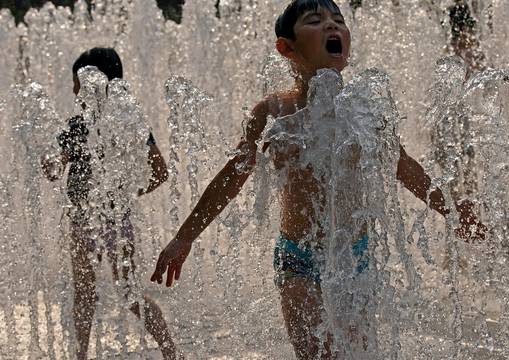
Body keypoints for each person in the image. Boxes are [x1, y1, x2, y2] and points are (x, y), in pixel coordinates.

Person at [150, 1, 486, 358]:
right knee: (317, 351)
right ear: (286, 47)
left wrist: (451, 210)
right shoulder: (272, 111)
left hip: (353, 255)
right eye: (316, 21)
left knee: (355, 352)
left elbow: (402, 165)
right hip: (297, 257)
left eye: (338, 21)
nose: (332, 27)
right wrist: (184, 237)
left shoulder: (364, 107)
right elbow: (233, 176)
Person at [41, 47, 179, 360]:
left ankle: (82, 355)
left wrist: (119, 195)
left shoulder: (98, 124)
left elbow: (160, 171)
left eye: (77, 82)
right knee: (125, 293)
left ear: (95, 82)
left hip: (88, 221)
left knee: (88, 294)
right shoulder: (120, 122)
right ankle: (171, 352)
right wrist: (124, 195)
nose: (74, 89)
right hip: (111, 219)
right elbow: (159, 173)